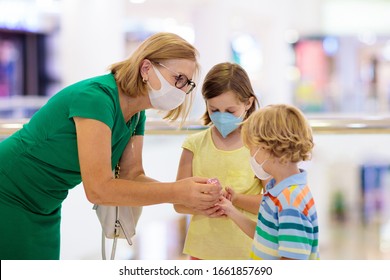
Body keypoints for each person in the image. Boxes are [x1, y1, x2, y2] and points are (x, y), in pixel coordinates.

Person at [0, 32, 222, 260]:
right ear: (146, 68)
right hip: (8, 190)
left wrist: (188, 194)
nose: (182, 90)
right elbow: (98, 189)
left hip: (45, 203)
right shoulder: (97, 98)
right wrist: (177, 191)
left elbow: (132, 175)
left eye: (188, 84)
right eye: (179, 79)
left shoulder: (136, 115)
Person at [174, 62, 263, 260]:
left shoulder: (259, 147)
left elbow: (271, 204)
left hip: (248, 253)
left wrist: (234, 200)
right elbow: (178, 203)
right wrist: (207, 205)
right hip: (202, 252)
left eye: (230, 111)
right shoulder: (194, 145)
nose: (221, 117)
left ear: (248, 103)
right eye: (214, 110)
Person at [218, 104, 319, 260]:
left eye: (251, 148)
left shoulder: (290, 201)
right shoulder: (277, 192)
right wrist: (231, 210)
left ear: (267, 148)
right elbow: (264, 234)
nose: (250, 155)